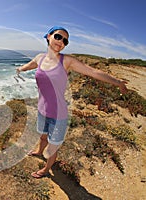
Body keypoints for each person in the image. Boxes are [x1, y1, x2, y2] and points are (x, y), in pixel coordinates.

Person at [16, 26, 128, 178]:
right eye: (58, 37)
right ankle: (38, 151)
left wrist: (117, 82)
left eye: (65, 41)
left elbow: (93, 72)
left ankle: (46, 169)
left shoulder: (67, 61)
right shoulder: (39, 58)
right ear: (48, 36)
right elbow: (30, 65)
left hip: (59, 115)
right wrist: (19, 69)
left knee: (53, 147)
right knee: (43, 136)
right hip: (42, 110)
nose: (61, 41)